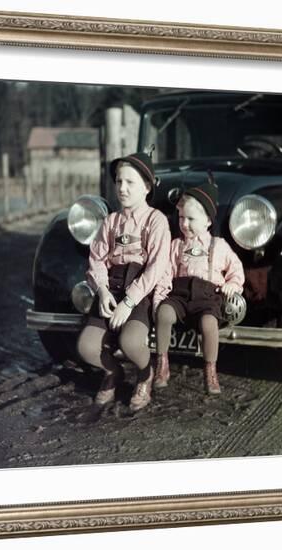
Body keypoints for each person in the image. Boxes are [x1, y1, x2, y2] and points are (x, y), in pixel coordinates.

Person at [77, 152, 171, 411]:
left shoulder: (156, 221)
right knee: (86, 347)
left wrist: (128, 303)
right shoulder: (110, 221)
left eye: (130, 182)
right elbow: (96, 259)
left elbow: (156, 266)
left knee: (130, 343)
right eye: (119, 182)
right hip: (112, 284)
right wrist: (103, 291)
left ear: (147, 187)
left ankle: (145, 374)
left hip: (140, 287)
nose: (122, 188)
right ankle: (113, 373)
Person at [152, 176, 244, 395]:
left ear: (208, 221)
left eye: (191, 219)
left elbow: (236, 269)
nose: (184, 224)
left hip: (207, 297)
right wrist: (159, 299)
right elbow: (166, 274)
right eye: (181, 218)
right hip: (180, 294)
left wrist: (233, 284)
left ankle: (210, 370)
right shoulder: (176, 245)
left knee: (209, 323)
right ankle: (162, 364)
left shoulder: (218, 245)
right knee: (164, 313)